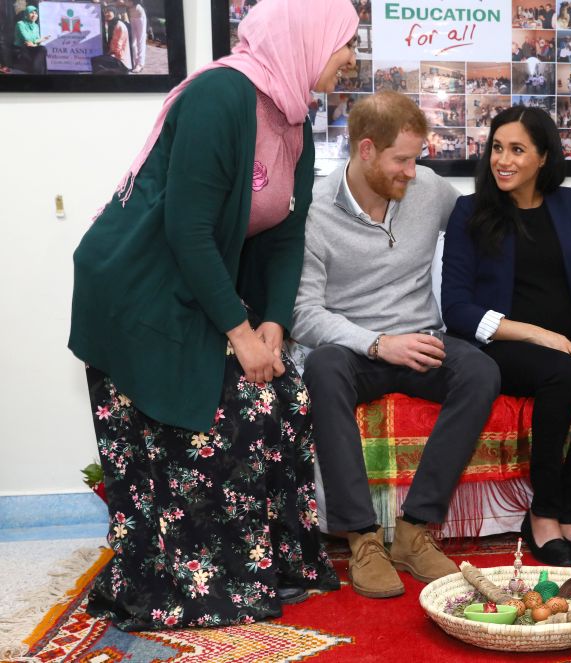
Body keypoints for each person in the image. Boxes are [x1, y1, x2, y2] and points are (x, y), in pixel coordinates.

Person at [68, 0, 359, 630]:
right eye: (346, 42)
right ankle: (186, 586)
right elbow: (190, 229)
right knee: (212, 424)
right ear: (306, 39)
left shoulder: (291, 115)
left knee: (283, 401)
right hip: (139, 292)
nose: (351, 58)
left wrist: (275, 323)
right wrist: (239, 333)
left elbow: (286, 230)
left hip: (197, 285)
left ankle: (265, 568)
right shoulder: (220, 97)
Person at [291, 91, 500, 599]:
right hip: (354, 347)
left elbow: (486, 227)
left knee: (481, 371)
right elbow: (303, 314)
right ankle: (362, 538)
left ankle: (413, 532)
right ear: (366, 151)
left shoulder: (427, 188)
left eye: (417, 158)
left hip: (423, 339)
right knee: (321, 369)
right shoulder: (314, 213)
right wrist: (378, 343)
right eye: (402, 159)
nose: (413, 171)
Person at [441, 106, 571, 567]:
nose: (502, 160)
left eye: (517, 150)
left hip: (564, 341)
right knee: (563, 374)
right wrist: (536, 335)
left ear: (543, 157)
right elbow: (457, 309)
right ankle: (542, 516)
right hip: (502, 345)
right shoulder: (471, 211)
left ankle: (569, 517)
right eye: (497, 148)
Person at [14, 5, 47, 74]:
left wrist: (35, 43)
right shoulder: (20, 24)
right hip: (22, 48)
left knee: (43, 49)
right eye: (31, 13)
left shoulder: (36, 26)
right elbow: (27, 38)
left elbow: (35, 41)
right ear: (26, 14)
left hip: (32, 47)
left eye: (35, 13)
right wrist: (38, 41)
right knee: (40, 51)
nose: (34, 15)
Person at [103, 6, 133, 72]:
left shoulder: (119, 25)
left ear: (114, 12)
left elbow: (119, 43)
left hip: (120, 59)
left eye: (109, 11)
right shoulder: (113, 23)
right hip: (117, 55)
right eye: (105, 12)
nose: (106, 14)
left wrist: (112, 54)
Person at [124, 0, 147, 73]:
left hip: (139, 15)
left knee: (140, 41)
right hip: (131, 16)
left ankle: (140, 64)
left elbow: (136, 2)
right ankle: (135, 62)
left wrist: (125, 3)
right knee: (133, 42)